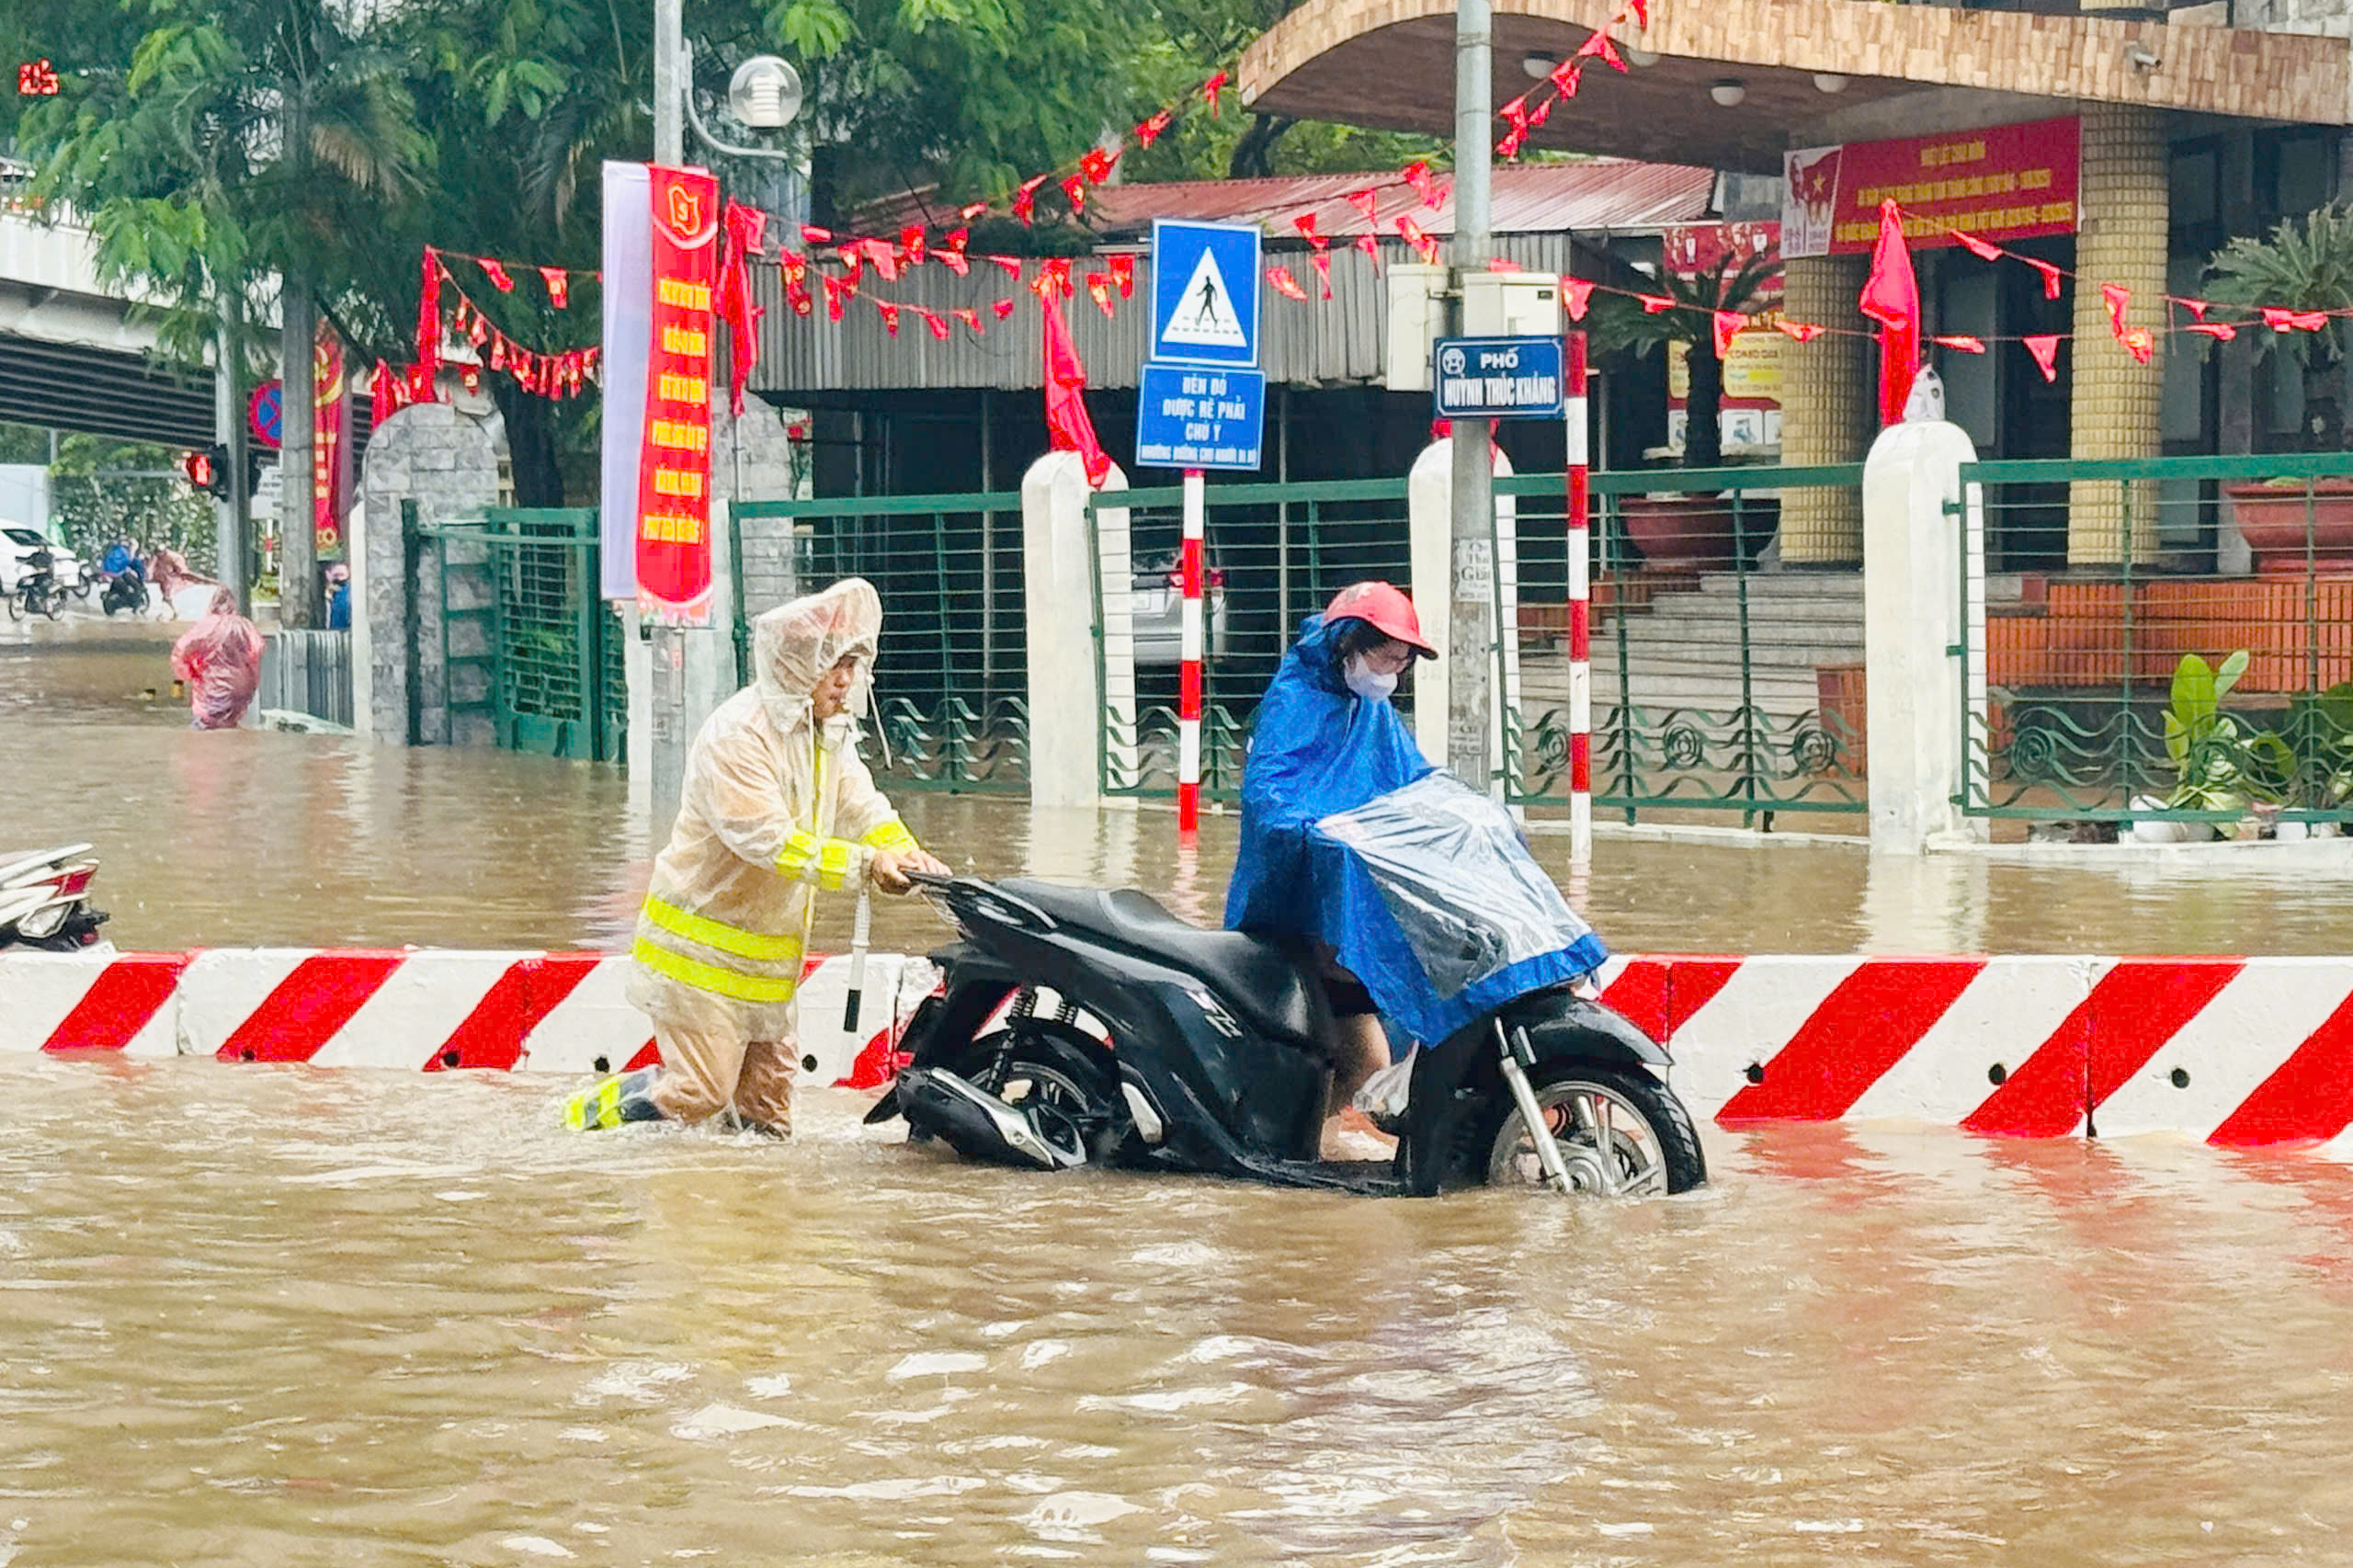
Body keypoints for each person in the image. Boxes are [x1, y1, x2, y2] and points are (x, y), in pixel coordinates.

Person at [565, 578, 949, 1137]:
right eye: (831, 664)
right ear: (795, 665)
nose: (844, 679)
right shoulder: (739, 735)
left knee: (766, 1118)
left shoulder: (823, 734)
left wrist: (901, 847)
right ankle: (575, 1121)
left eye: (851, 663)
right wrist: (864, 866)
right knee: (697, 1092)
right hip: (697, 958)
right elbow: (767, 840)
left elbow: (858, 800)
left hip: (767, 967)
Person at [1224, 581, 1437, 1158]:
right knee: (1355, 1058)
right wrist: (1330, 835)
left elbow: (1412, 781)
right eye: (1386, 657)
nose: (1393, 671)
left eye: (1402, 662)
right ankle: (1292, 1155)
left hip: (1347, 912)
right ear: (1349, 643)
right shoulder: (1296, 703)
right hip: (1299, 910)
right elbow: (1271, 803)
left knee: (1364, 1064)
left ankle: (1304, 1156)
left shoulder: (1372, 707)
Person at [169, 586, 265, 730]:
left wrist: (187, 672)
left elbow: (182, 648)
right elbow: (258, 648)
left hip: (214, 686)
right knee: (229, 726)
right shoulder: (244, 625)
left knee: (204, 728)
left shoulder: (209, 625)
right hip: (241, 686)